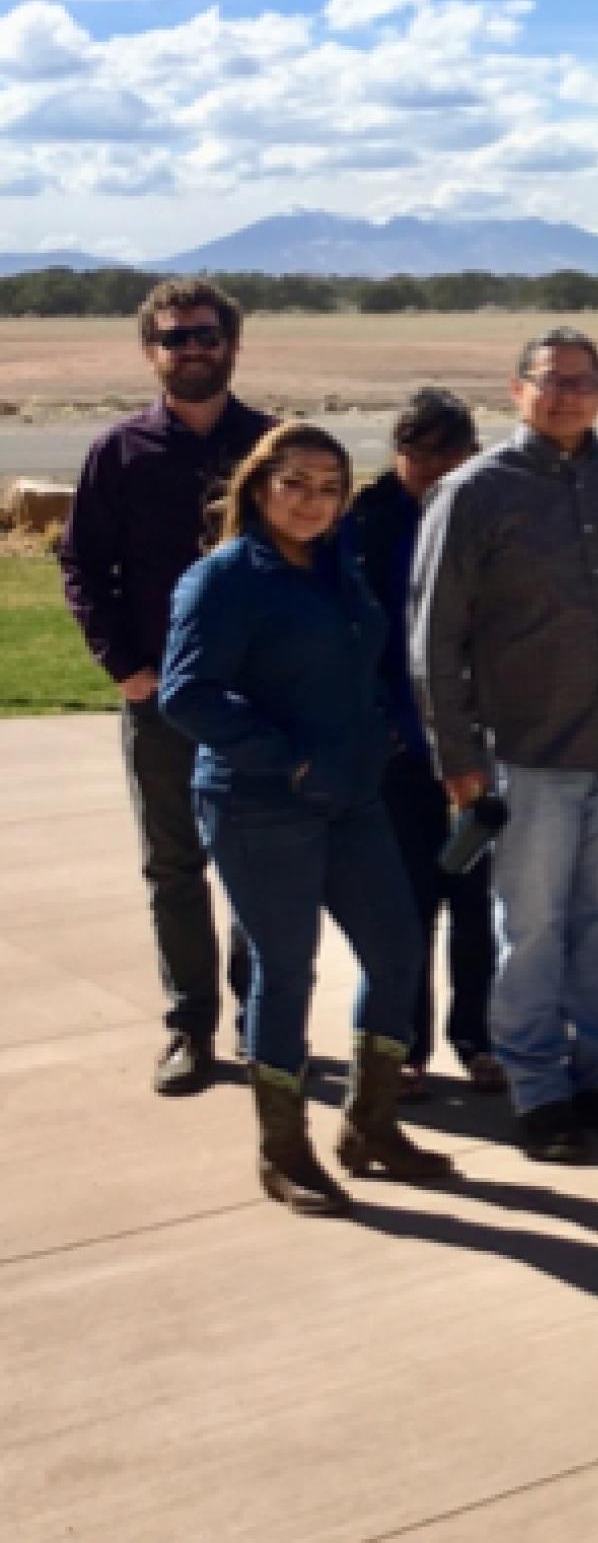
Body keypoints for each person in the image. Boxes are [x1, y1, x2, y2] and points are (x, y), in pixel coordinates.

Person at [411, 328, 598, 1164]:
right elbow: (435, 639)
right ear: (517, 391)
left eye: (584, 382)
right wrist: (458, 757)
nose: (568, 395)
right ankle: (539, 1089)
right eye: (552, 382)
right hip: (528, 754)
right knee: (533, 928)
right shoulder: (473, 494)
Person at [159, 423, 452, 1215]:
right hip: (261, 807)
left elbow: (364, 663)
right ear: (260, 486)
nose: (312, 502)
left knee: (397, 953)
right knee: (285, 975)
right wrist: (286, 758)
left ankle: (370, 1124)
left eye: (329, 487)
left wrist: (385, 729)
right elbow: (186, 693)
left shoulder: (338, 567)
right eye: (295, 483)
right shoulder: (222, 580)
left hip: (354, 799)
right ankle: (283, 1152)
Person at [59, 275, 268, 1095]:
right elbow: (82, 564)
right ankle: (190, 1026)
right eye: (175, 338)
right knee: (174, 866)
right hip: (163, 698)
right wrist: (123, 666)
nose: (192, 349)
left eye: (205, 334)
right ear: (152, 352)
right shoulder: (119, 451)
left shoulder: (273, 445)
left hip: (258, 698)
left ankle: (263, 1018)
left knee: (260, 862)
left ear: (232, 344)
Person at [345, 388, 502, 1098]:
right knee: (405, 904)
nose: (435, 466)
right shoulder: (365, 522)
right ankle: (402, 1046)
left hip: (475, 755)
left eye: (451, 451)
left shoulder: (488, 514)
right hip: (400, 754)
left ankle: (478, 1039)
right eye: (420, 451)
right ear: (398, 451)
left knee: (473, 899)